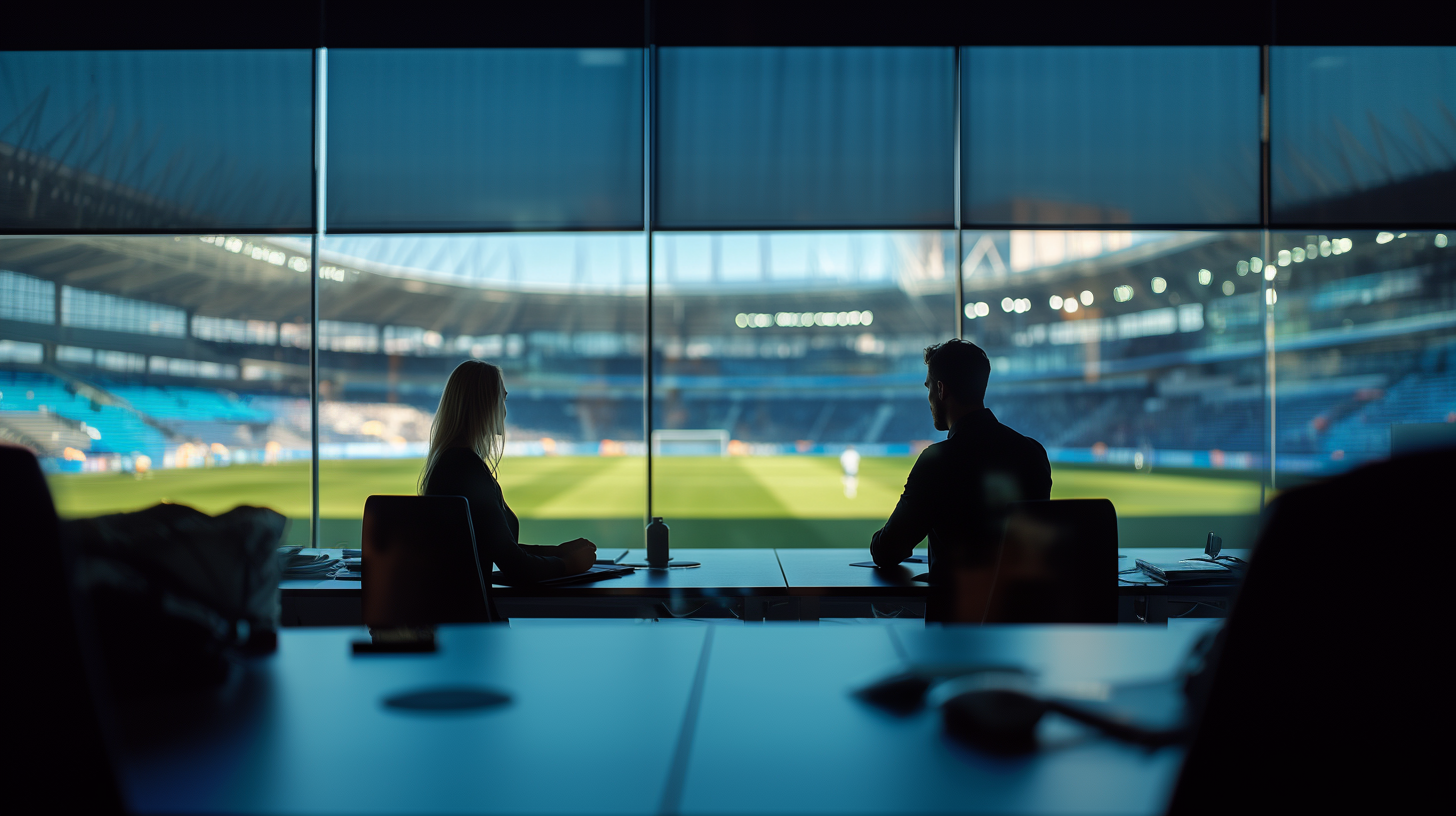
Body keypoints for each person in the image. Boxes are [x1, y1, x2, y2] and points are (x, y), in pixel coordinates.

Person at [870, 339, 1051, 588]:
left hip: (958, 622)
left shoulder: (937, 462)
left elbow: (887, 551)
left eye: (929, 388)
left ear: (941, 390)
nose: (929, 398)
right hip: (1023, 618)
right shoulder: (1033, 453)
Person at [420, 360, 596, 583]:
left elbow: (496, 546)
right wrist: (569, 564)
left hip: (455, 612)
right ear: (484, 404)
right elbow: (515, 564)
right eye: (501, 399)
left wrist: (559, 552)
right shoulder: (466, 469)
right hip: (470, 614)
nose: (504, 411)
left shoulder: (452, 463)